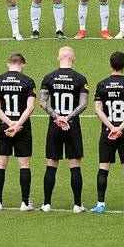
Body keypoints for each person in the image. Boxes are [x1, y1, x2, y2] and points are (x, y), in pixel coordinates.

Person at [39, 47, 88, 213]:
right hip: (72, 125)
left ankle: (46, 204)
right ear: (73, 58)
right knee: (74, 163)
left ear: (57, 58)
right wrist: (67, 118)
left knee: (52, 162)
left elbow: (43, 102)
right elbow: (83, 104)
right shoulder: (80, 78)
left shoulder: (49, 77)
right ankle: (77, 205)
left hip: (54, 124)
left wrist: (57, 117)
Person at [91, 52, 124, 214]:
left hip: (107, 132)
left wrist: (111, 128)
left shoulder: (102, 85)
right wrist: (120, 128)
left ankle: (100, 204)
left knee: (103, 167)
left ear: (110, 65)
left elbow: (98, 110)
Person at [0, 53, 36, 211]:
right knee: (24, 164)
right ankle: (24, 203)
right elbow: (30, 107)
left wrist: (9, 123)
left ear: (7, 63)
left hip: (4, 126)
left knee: (1, 163)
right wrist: (17, 124)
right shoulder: (28, 81)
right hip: (22, 126)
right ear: (23, 64)